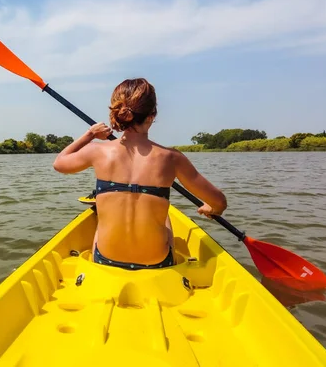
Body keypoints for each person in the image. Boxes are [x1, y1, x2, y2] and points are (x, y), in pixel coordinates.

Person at [52, 78, 227, 270]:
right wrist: (212, 209)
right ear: (152, 115)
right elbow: (219, 202)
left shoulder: (97, 151)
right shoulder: (172, 158)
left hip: (105, 259)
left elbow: (59, 164)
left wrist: (90, 134)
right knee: (165, 211)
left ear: (117, 113)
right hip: (157, 262)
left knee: (101, 219)